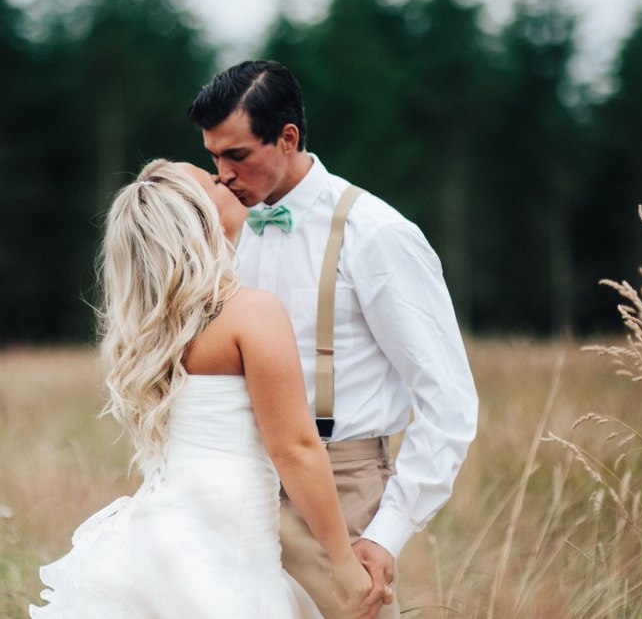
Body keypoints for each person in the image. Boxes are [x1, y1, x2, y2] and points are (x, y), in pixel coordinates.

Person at [188, 60, 478, 619]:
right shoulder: (224, 231)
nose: (222, 175)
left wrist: (388, 531)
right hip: (237, 490)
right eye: (213, 157)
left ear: (288, 137)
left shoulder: (378, 235)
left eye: (237, 154)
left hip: (341, 490)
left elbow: (448, 399)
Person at [30, 159, 372, 618]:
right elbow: (294, 448)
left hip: (162, 531)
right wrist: (343, 559)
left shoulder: (149, 332)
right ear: (201, 216)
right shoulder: (252, 313)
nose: (227, 178)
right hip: (226, 538)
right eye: (213, 180)